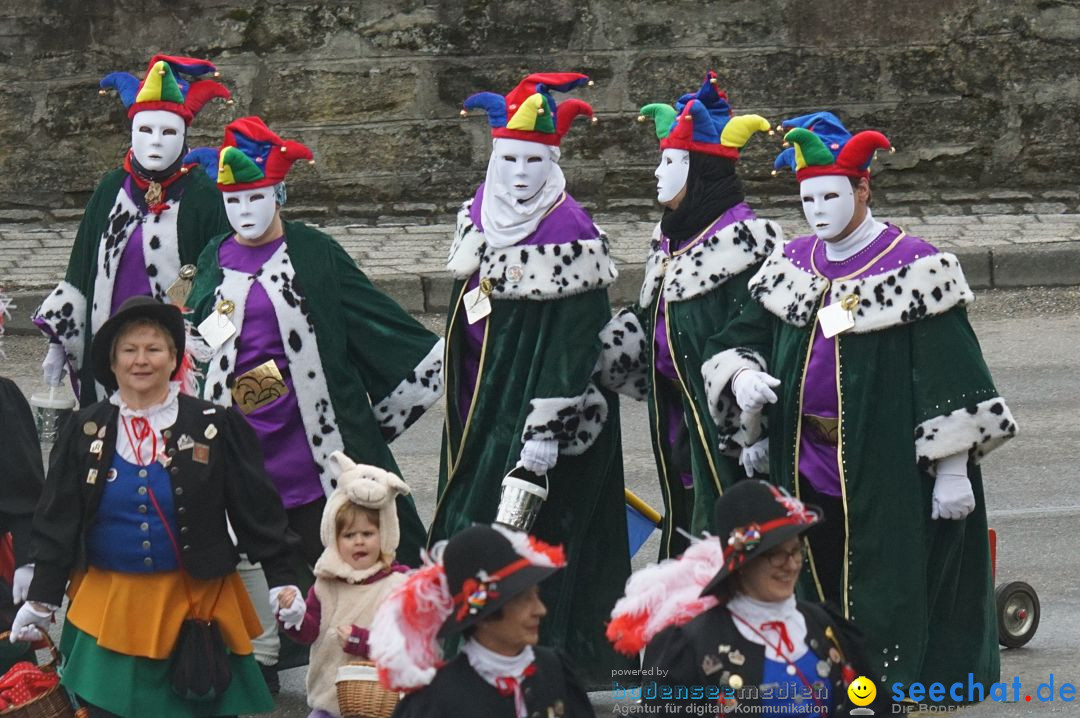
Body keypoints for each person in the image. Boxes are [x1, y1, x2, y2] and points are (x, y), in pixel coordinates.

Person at [701, 112, 1017, 695]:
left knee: (888, 577)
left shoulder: (918, 267)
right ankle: (823, 677)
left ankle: (889, 687)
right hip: (804, 454)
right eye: (806, 198)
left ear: (863, 188)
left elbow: (951, 374)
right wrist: (743, 376)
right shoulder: (792, 264)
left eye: (830, 195)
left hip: (889, 457)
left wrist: (952, 469)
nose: (816, 210)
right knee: (812, 566)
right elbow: (738, 338)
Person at [433, 71, 632, 685]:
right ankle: (467, 653)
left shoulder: (568, 232)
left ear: (553, 160)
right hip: (479, 396)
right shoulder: (480, 211)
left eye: (533, 160)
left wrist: (542, 438)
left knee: (523, 537)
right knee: (472, 517)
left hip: (537, 413)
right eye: (509, 157)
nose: (519, 173)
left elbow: (575, 345)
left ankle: (539, 661)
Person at [11, 295, 301, 717]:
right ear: (112, 363)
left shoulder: (214, 424)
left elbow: (258, 511)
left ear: (174, 359)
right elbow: (59, 519)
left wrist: (282, 579)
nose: (140, 360)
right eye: (129, 350)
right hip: (112, 604)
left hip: (197, 605)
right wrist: (41, 599)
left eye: (154, 349)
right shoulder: (85, 428)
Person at [185, 116, 442, 569]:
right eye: (234, 199)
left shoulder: (312, 251)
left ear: (278, 195)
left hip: (312, 434)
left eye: (256, 197)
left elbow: (372, 316)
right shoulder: (214, 253)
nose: (245, 210)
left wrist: (461, 351)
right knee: (258, 566)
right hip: (242, 432)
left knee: (358, 554)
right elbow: (206, 326)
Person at [596, 71, 780, 559]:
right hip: (679, 418)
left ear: (701, 173)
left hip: (725, 435)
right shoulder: (674, 236)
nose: (658, 172)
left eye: (672, 161)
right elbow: (651, 319)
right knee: (686, 518)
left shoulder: (746, 248)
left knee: (721, 530)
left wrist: (754, 433)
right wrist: (589, 354)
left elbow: (761, 340)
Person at [34, 55, 231, 406]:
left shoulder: (205, 197)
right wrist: (58, 345)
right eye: (145, 130)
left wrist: (209, 352)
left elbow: (229, 285)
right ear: (132, 131)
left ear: (185, 134)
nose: (155, 142)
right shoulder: (111, 190)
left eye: (168, 132)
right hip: (112, 349)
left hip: (179, 360)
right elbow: (79, 273)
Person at [607, 480, 888, 715]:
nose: (790, 565)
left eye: (795, 551)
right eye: (775, 554)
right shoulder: (691, 645)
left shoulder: (822, 624)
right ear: (742, 565)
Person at [370, 523, 593, 717]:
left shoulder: (554, 670)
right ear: (483, 617)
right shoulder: (439, 699)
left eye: (536, 595)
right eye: (524, 600)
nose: (540, 610)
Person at [273, 451, 410, 718]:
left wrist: (361, 640)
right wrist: (293, 615)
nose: (359, 541)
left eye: (368, 534)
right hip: (328, 700)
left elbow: (403, 643)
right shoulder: (326, 584)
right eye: (349, 535)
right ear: (334, 538)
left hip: (379, 702)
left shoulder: (398, 585)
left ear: (385, 534)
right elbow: (310, 632)